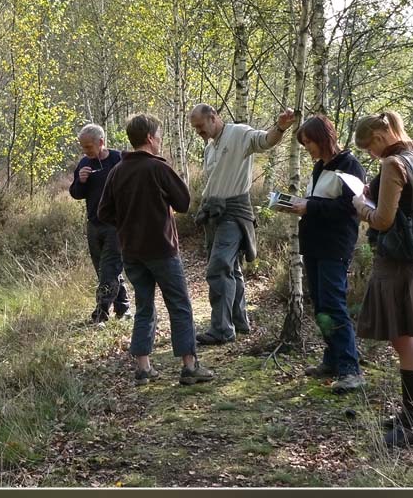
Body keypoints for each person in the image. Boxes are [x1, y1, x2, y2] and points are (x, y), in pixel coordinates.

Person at [351, 111, 413, 448]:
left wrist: (360, 204)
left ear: (381, 136)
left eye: (370, 147)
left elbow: (382, 220)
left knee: (404, 339)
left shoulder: (393, 164)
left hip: (397, 264)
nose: (371, 154)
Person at [98, 113, 214, 386]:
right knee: (180, 305)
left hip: (131, 252)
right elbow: (184, 202)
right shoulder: (158, 168)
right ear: (150, 138)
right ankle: (189, 366)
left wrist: (126, 224)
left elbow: (104, 212)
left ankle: (143, 368)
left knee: (144, 306)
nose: (160, 140)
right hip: (161, 248)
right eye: (159, 135)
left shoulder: (117, 171)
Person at [189, 104, 297, 345]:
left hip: (235, 212)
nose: (198, 131)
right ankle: (239, 321)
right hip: (214, 214)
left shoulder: (238, 133)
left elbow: (266, 141)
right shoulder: (209, 147)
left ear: (213, 117)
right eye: (195, 127)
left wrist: (280, 126)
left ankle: (221, 329)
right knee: (231, 268)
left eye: (200, 126)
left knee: (218, 267)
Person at [289, 114, 367, 394]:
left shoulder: (350, 166)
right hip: (313, 244)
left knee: (333, 305)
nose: (307, 148)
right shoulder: (319, 167)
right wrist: (300, 206)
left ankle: (351, 369)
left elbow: (351, 207)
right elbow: (320, 203)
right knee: (321, 306)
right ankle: (332, 359)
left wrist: (310, 207)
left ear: (323, 139)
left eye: (309, 142)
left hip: (335, 246)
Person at [69, 124, 131, 325]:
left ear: (101, 142)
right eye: (83, 147)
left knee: (109, 268)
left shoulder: (119, 159)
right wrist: (81, 180)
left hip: (116, 226)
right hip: (94, 225)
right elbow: (76, 193)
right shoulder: (84, 163)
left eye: (88, 146)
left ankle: (100, 313)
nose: (85, 151)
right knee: (104, 270)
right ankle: (123, 307)